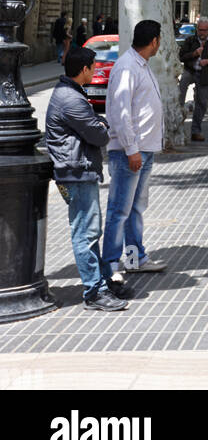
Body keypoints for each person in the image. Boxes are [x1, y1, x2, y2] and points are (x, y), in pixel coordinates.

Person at [44, 46, 128, 311]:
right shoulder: (70, 98)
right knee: (86, 233)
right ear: (84, 70)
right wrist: (101, 126)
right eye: (93, 67)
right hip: (76, 172)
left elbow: (94, 125)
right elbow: (99, 134)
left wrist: (98, 124)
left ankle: (100, 283)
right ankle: (94, 292)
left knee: (90, 231)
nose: (95, 71)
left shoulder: (71, 93)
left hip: (78, 169)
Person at [103, 19, 166, 277]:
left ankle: (134, 257)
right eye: (159, 39)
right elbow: (120, 112)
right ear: (154, 41)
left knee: (135, 207)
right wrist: (131, 149)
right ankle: (110, 265)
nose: (160, 44)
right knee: (119, 209)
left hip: (143, 150)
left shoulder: (140, 65)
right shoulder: (127, 67)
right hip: (130, 152)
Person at [178, 18, 208, 142]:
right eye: (200, 30)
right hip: (190, 71)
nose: (202, 33)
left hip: (204, 74)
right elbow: (181, 56)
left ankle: (196, 131)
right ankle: (178, 121)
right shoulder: (190, 40)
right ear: (197, 29)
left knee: (202, 103)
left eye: (205, 30)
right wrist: (194, 54)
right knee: (181, 90)